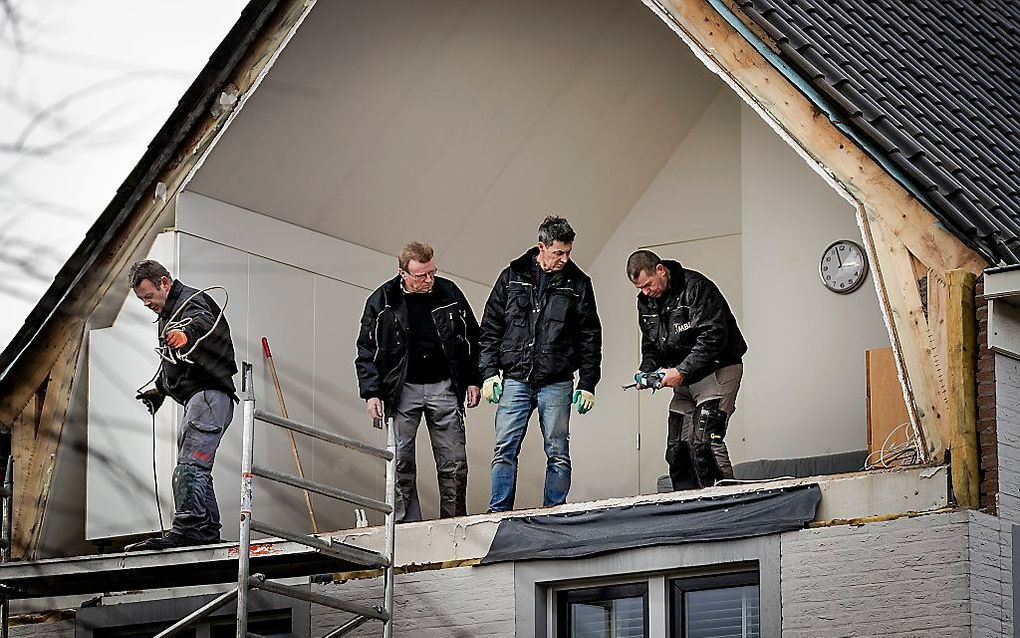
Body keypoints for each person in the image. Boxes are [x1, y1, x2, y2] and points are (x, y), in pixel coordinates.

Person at [479, 216, 602, 512]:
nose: (564, 258)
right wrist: (487, 374)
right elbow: (490, 327)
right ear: (541, 247)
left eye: (568, 252)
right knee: (504, 449)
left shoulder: (578, 284)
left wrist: (588, 383)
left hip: (557, 380)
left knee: (558, 451)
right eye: (558, 252)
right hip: (515, 378)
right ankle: (498, 513)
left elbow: (590, 336)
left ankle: (554, 512)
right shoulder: (511, 277)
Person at [355, 242, 482, 522]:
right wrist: (371, 393)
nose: (429, 280)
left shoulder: (449, 292)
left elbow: (474, 337)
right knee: (400, 462)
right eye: (421, 275)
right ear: (403, 273)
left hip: (445, 386)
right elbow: (366, 351)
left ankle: (453, 523)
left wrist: (474, 380)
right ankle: (406, 526)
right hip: (401, 391)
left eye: (432, 272)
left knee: (454, 463)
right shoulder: (382, 301)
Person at [126, 260, 237, 550]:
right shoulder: (167, 313)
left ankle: (189, 529)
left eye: (148, 296)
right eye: (142, 300)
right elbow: (174, 366)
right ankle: (206, 530)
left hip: (209, 397)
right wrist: (159, 391)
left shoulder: (191, 301)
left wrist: (184, 336)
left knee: (190, 465)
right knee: (197, 466)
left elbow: (198, 323)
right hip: (200, 399)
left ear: (165, 282)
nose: (147, 304)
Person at [626, 249, 747, 490]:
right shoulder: (646, 302)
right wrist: (646, 372)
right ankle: (688, 506)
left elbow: (714, 336)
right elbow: (651, 345)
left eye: (648, 285)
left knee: (705, 443)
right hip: (683, 379)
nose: (646, 292)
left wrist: (681, 371)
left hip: (717, 370)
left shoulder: (697, 288)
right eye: (640, 289)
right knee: (678, 448)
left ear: (661, 270)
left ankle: (726, 502)